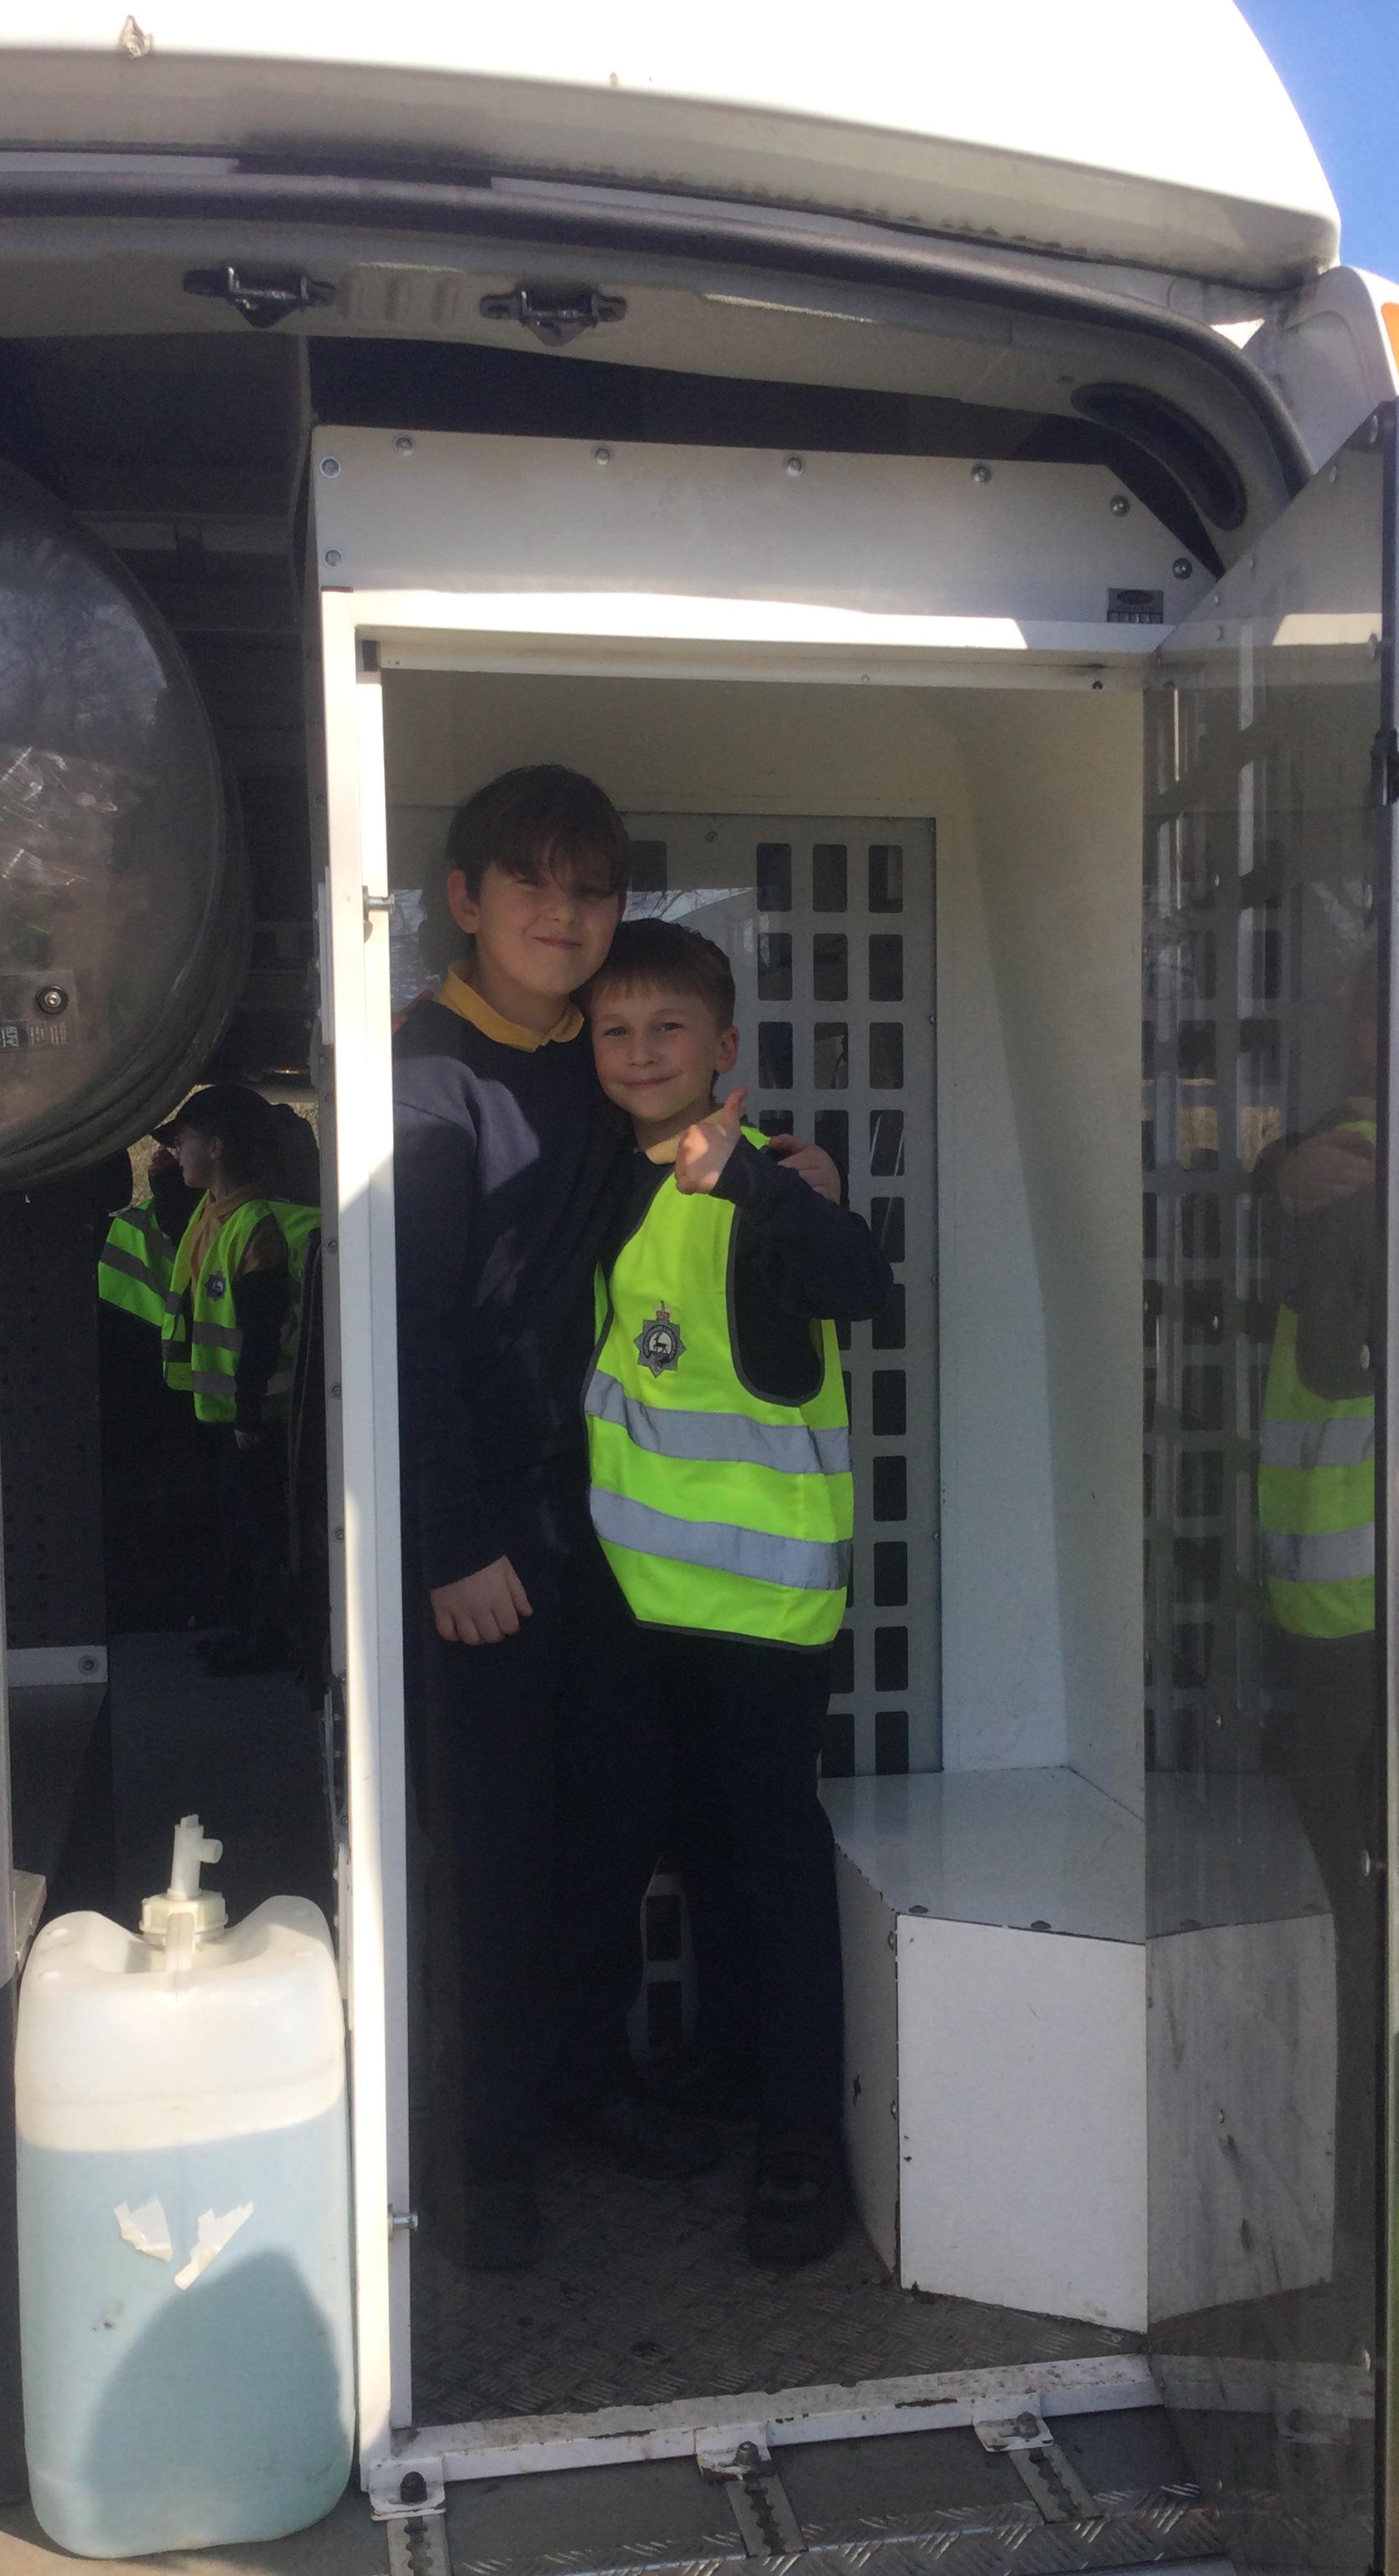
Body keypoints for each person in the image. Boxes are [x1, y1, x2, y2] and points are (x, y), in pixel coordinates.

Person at [392, 766, 839, 2270]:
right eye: (530, 882)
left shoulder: (583, 1063)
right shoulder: (425, 1080)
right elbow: (406, 1335)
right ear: (464, 900)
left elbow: (696, 1153)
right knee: (498, 1851)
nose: (563, 914)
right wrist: (454, 1540)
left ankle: (585, 2082)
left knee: (606, 1828)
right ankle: (487, 2150)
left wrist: (791, 1181)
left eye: (591, 890)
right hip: (487, 1540)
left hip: (600, 1540)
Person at [557, 916, 893, 2263]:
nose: (640, 1051)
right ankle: (732, 2060)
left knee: (770, 1860)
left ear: (723, 1047)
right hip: (638, 1608)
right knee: (696, 1847)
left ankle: (801, 2142)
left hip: (759, 1611)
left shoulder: (760, 1182)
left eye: (668, 1029)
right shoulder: (612, 1176)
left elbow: (857, 1283)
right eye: (615, 1030)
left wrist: (762, 1185)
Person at [159, 1083, 320, 1677]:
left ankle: (268, 1641)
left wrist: (249, 1412)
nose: (175, 1152)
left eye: (183, 1141)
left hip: (255, 1419)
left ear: (217, 1147)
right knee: (240, 1527)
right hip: (224, 1413)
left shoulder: (255, 1226)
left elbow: (261, 1329)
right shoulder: (212, 1215)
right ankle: (247, 1631)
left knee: (264, 1532)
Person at [96, 1137, 192, 1330]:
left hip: (151, 1333)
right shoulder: (136, 1220)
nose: (160, 1152)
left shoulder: (132, 1222)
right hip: (163, 1334)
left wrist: (168, 1186)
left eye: (180, 1144)